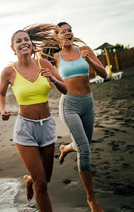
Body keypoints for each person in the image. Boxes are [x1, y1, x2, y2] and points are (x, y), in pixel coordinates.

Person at [0, 24, 67, 212]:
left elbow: (65, 89)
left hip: (46, 126)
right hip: (25, 128)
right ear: (13, 48)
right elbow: (2, 94)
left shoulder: (44, 64)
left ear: (31, 43)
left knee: (46, 179)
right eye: (18, 41)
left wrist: (52, 79)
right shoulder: (8, 71)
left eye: (26, 39)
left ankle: (29, 179)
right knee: (42, 184)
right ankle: (33, 180)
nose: (23, 43)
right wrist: (3, 109)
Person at [49, 22, 106, 212]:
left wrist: (89, 60)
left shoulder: (86, 50)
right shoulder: (55, 57)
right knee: (85, 151)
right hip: (69, 105)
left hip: (88, 103)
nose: (67, 33)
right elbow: (41, 70)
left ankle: (66, 148)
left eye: (69, 30)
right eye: (62, 32)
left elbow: (104, 74)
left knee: (84, 144)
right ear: (57, 38)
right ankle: (91, 199)